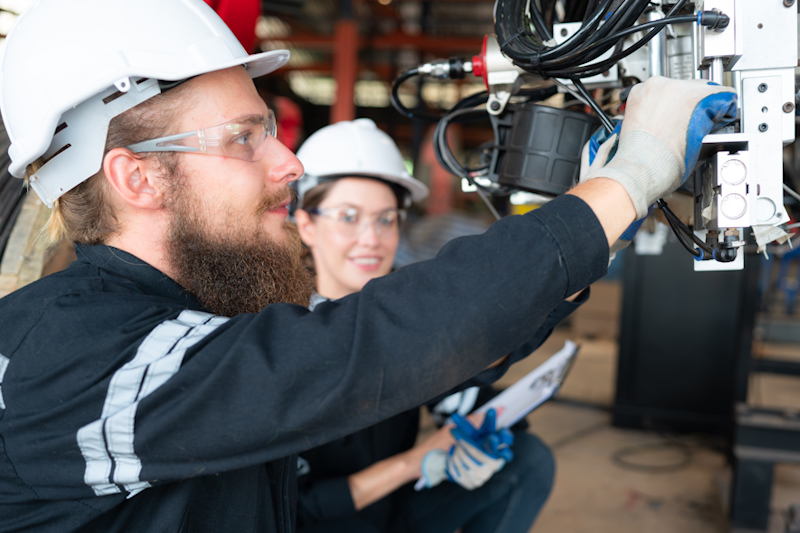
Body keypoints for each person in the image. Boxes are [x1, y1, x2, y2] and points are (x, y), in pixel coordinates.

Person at [0, 0, 737, 531]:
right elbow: (367, 347)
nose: (289, 161)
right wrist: (628, 179)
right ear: (139, 178)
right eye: (243, 138)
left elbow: (423, 344)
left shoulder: (184, 318)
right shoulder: (74, 354)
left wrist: (585, 240)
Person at [291, 118, 556, 533]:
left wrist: (478, 427)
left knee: (527, 461)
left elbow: (459, 384)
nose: (371, 239)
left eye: (385, 219)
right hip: (318, 522)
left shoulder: (405, 310)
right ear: (307, 224)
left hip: (392, 512)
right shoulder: (278, 335)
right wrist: (415, 462)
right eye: (348, 217)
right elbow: (295, 510)